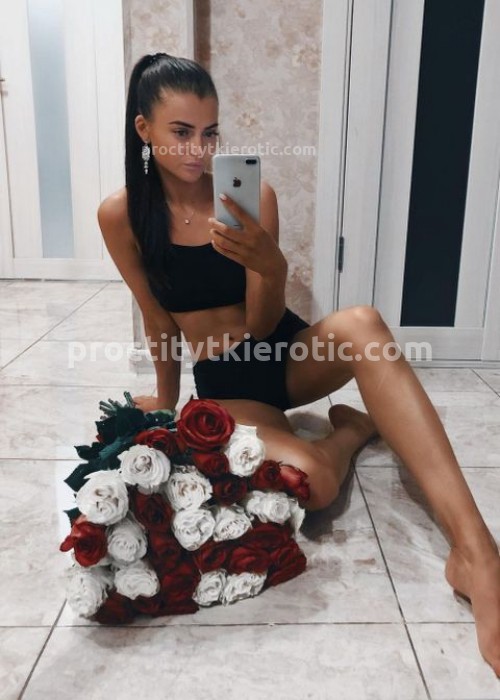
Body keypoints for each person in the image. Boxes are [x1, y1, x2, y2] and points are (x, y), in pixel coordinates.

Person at [97, 52, 500, 675]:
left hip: (283, 351)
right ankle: (351, 432)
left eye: (210, 133)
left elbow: (263, 325)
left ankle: (477, 553)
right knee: (313, 483)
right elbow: (157, 318)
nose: (199, 150)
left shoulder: (249, 195)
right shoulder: (121, 215)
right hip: (230, 384)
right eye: (181, 132)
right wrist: (166, 399)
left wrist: (271, 264)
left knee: (363, 323)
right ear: (144, 129)